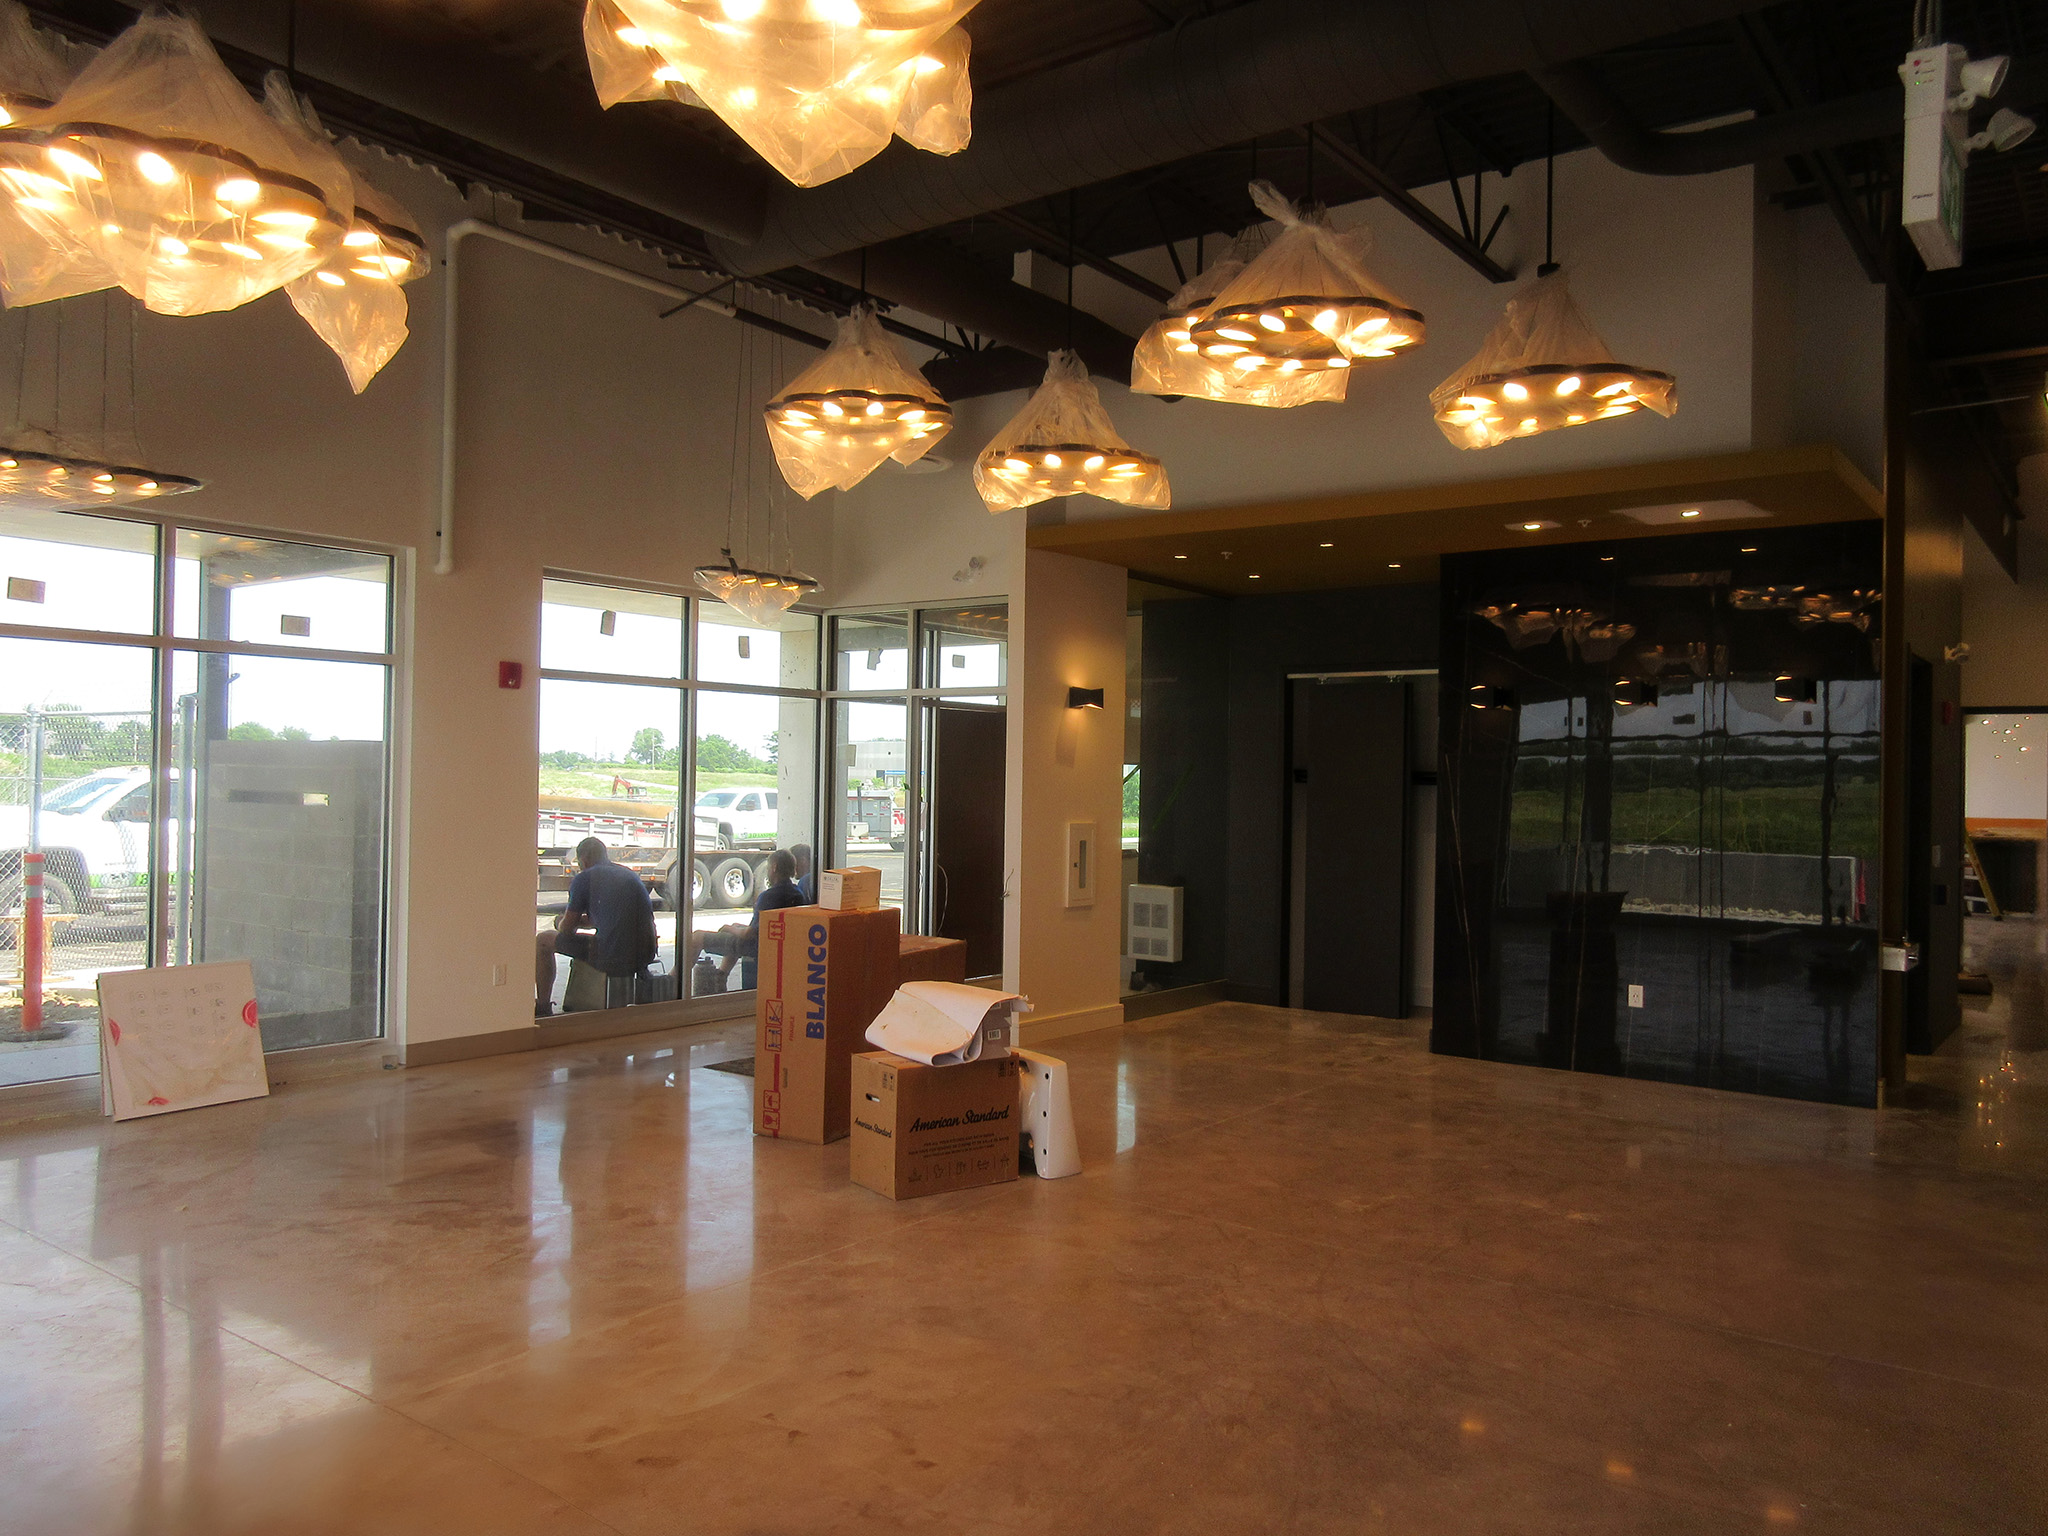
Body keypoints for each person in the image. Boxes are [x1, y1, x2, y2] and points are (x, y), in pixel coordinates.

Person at [537, 836, 657, 1015]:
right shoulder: (627, 874)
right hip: (645, 953)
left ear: (583, 860)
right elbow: (608, 917)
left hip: (613, 955)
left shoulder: (584, 878)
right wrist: (581, 921)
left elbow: (567, 929)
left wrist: (559, 922)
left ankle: (543, 1007)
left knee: (543, 940)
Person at [688, 848, 808, 992]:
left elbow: (748, 934)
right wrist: (735, 928)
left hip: (757, 946)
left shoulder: (768, 897)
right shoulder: (798, 893)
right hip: (777, 944)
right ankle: (721, 976)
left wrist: (728, 928)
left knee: (696, 937)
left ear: (774, 867)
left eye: (768, 868)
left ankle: (674, 979)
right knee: (736, 927)